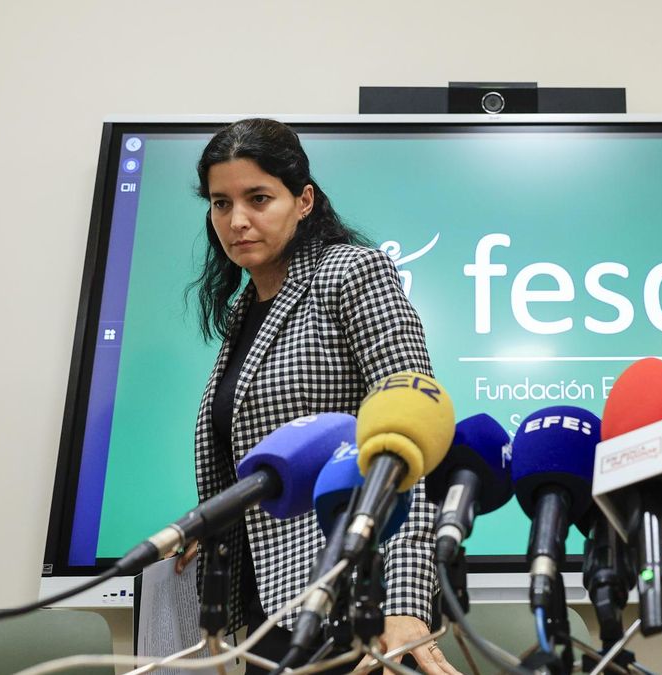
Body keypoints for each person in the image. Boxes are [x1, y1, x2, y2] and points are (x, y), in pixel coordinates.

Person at [176, 118, 460, 675]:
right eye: (220, 203)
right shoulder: (244, 309)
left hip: (354, 602)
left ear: (303, 200)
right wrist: (206, 523)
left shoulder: (352, 274)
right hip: (269, 607)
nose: (237, 220)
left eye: (259, 198)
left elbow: (411, 445)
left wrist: (403, 606)